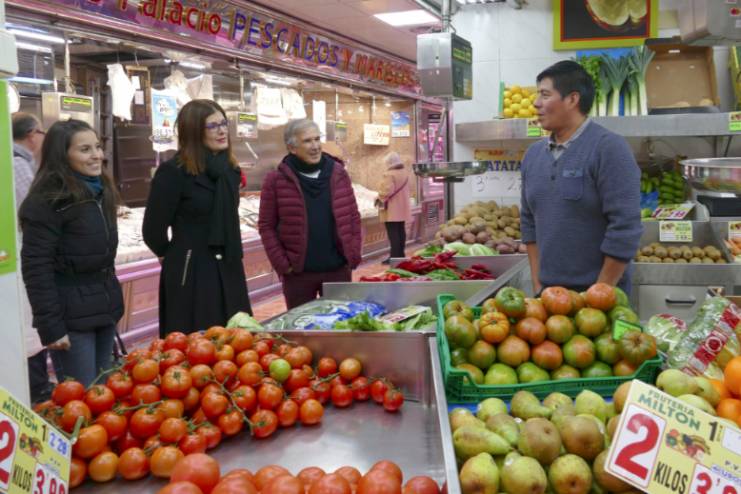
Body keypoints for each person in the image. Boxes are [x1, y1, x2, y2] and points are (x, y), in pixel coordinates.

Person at [520, 60, 642, 295]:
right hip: (549, 297)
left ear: (572, 99)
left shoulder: (609, 148)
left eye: (545, 95)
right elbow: (529, 223)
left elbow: (626, 227)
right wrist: (538, 285)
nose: (536, 103)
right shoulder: (533, 155)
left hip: (601, 298)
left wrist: (599, 295)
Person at [19, 119, 124, 387]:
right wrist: (51, 327)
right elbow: (36, 267)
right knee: (81, 397)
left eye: (97, 147)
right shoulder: (47, 200)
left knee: (105, 392)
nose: (97, 155)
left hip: (104, 309)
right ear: (62, 156)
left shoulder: (101, 191)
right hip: (70, 318)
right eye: (85, 149)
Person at [143, 99, 252, 336]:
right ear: (193, 131)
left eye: (223, 123)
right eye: (212, 126)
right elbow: (153, 230)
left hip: (229, 264)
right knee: (196, 342)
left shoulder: (230, 171)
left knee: (237, 340)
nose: (222, 131)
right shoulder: (174, 172)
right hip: (192, 270)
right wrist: (175, 255)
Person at [259, 118, 361, 309]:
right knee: (301, 325)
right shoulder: (276, 180)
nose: (315, 146)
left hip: (337, 271)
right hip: (298, 275)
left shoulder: (338, 173)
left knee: (341, 324)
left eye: (317, 139)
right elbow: (266, 226)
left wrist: (353, 253)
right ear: (292, 148)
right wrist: (283, 264)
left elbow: (353, 216)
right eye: (307, 141)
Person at [12, 112, 53, 403]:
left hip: (22, 257)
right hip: (24, 259)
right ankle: (36, 390)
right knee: (30, 327)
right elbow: (34, 213)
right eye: (41, 133)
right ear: (31, 135)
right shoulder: (18, 165)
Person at [377, 152, 411, 263]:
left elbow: (387, 191)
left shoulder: (389, 174)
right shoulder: (404, 172)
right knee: (401, 230)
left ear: (389, 162)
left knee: (393, 233)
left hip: (392, 207)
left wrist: (378, 197)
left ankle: (394, 257)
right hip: (403, 206)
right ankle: (400, 255)